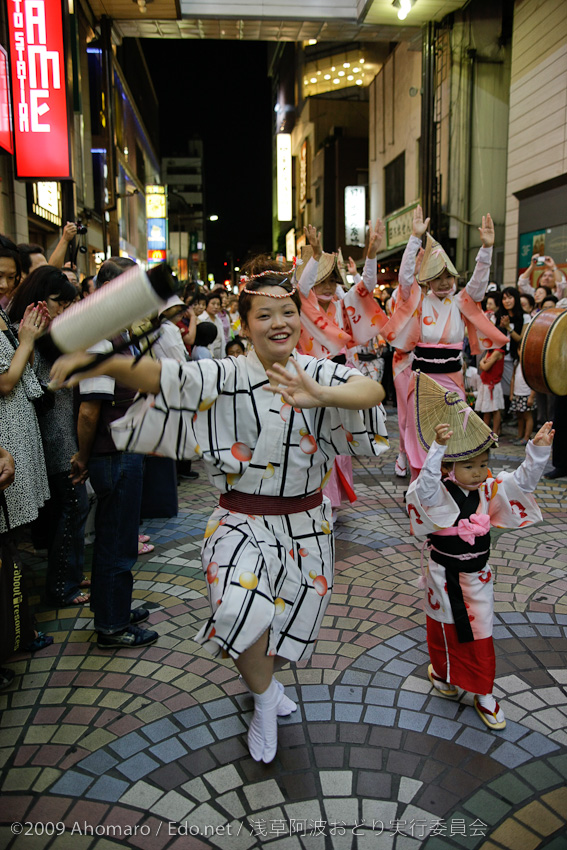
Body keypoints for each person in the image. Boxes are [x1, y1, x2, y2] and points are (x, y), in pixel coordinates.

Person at [49, 254, 389, 763]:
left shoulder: (318, 370)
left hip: (308, 527)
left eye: (287, 312)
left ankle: (266, 688)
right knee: (239, 611)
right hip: (240, 521)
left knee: (278, 625)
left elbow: (372, 390)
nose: (279, 323)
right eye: (264, 315)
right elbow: (159, 378)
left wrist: (319, 393)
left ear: (300, 316)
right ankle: (263, 700)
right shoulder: (224, 373)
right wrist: (98, 362)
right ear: (246, 324)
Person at [406, 374, 553, 730]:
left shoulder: (490, 488)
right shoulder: (437, 490)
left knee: (480, 631)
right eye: (469, 466)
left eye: (483, 464)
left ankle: (484, 692)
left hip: (475, 577)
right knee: (441, 629)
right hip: (442, 575)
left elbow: (522, 483)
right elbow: (422, 490)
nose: (478, 473)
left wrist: (537, 450)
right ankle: (443, 676)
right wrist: (437, 448)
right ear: (449, 468)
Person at [381, 206, 508, 479]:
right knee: (420, 433)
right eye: (437, 278)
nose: (443, 282)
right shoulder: (417, 300)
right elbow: (405, 279)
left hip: (453, 380)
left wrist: (486, 249)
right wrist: (415, 239)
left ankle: (450, 486)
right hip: (423, 381)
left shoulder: (462, 301)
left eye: (448, 277)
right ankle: (418, 485)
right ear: (426, 280)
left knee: (454, 431)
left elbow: (477, 283)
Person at [69, 262, 158, 649]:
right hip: (113, 453)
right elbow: (90, 408)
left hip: (121, 449)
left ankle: (113, 608)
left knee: (115, 538)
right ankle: (112, 625)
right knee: (116, 542)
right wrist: (83, 458)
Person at [8, 266, 90, 606]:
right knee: (71, 507)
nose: (65, 309)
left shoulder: (48, 332)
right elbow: (29, 388)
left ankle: (66, 577)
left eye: (70, 302)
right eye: (60, 302)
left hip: (58, 433)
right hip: (52, 438)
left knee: (68, 509)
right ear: (39, 299)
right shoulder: (26, 334)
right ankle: (62, 587)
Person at [295, 222, 388, 511]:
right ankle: (317, 498)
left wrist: (370, 254)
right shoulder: (304, 304)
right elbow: (303, 285)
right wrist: (316, 254)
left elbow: (366, 288)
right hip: (310, 379)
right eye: (321, 281)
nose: (326, 287)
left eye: (331, 280)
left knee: (342, 439)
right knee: (313, 439)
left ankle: (333, 501)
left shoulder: (342, 304)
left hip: (341, 376)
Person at [494, 287, 529, 405]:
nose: (507, 301)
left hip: (515, 357)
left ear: (516, 299)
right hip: (498, 356)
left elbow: (521, 339)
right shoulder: (497, 316)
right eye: (504, 298)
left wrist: (508, 327)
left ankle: (511, 410)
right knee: (498, 386)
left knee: (512, 386)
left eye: (510, 297)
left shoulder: (525, 317)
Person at [475, 348, 504, 435]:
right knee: (486, 410)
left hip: (493, 384)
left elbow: (485, 367)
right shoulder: (489, 351)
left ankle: (495, 433)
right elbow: (481, 367)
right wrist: (482, 363)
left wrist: (482, 362)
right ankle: (485, 433)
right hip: (486, 383)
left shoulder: (497, 352)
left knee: (495, 409)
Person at [152, 297, 188, 363]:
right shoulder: (166, 329)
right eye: (176, 306)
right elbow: (178, 359)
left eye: (181, 307)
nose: (180, 309)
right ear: (165, 311)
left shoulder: (170, 328)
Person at [198, 293, 226, 358]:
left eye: (218, 304)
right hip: (206, 354)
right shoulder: (201, 319)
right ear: (207, 304)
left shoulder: (218, 320)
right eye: (213, 304)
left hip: (219, 353)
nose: (216, 307)